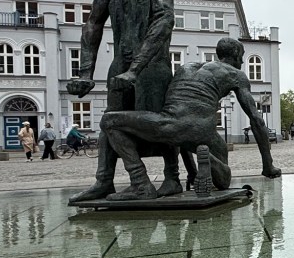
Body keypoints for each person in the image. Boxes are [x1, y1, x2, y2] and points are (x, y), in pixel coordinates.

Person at [67, 0, 178, 202]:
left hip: (152, 65)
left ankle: (172, 177)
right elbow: (94, 22)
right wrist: (85, 73)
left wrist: (136, 68)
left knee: (158, 123)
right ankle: (106, 181)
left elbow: (164, 20)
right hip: (120, 63)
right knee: (111, 120)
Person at [101, 37, 281, 200]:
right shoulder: (236, 75)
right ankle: (206, 158)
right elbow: (256, 119)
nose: (242, 61)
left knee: (109, 121)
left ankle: (141, 182)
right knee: (223, 181)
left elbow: (179, 124)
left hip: (170, 125)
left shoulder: (186, 67)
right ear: (235, 54)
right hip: (204, 131)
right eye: (241, 56)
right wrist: (268, 165)